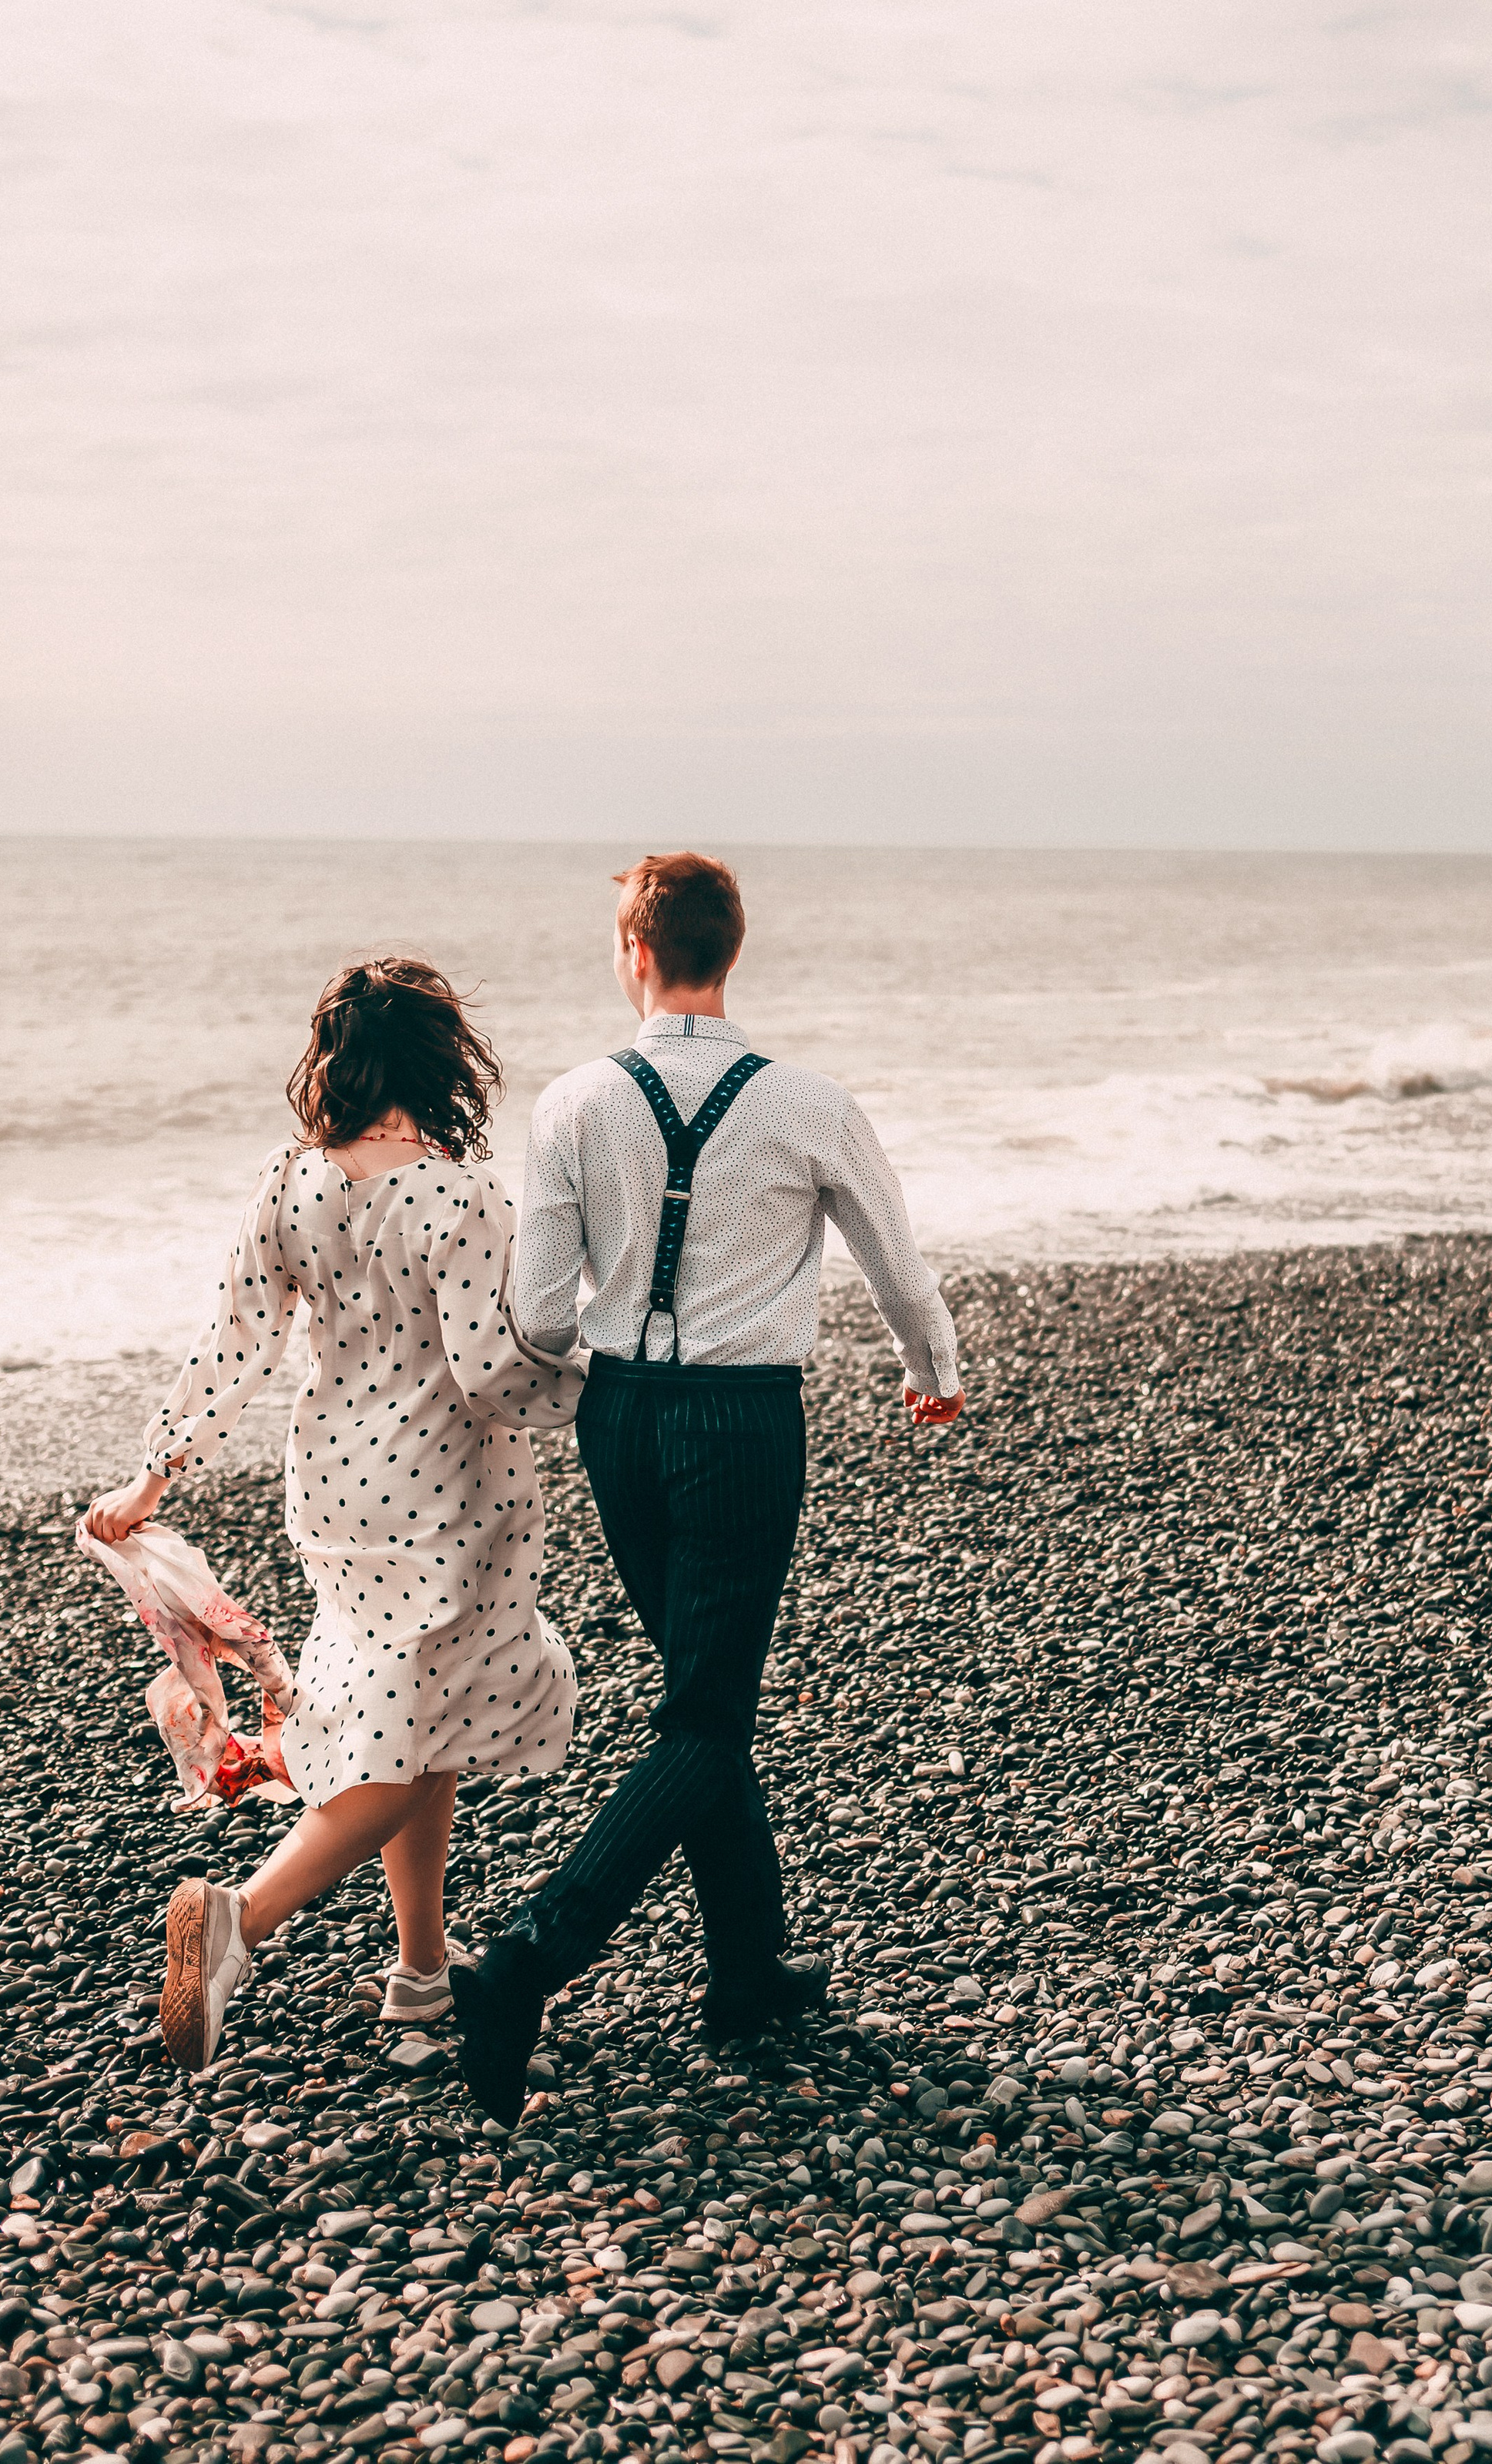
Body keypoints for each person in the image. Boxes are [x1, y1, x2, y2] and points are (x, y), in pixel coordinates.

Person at [450, 851, 964, 2123]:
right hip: (743, 1423)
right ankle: (527, 1961)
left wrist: (608, 1335)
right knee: (707, 1715)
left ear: (635, 951)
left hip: (620, 1421)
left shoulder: (574, 1102)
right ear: (731, 950)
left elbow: (539, 1317)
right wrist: (932, 1369)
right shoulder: (812, 1104)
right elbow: (897, 1265)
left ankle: (746, 1971)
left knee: (701, 1693)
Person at [85, 957, 584, 2071]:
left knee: (420, 1716)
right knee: (398, 1745)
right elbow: (492, 1374)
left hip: (332, 1487)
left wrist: (154, 1474)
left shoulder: (292, 1178)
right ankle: (239, 1920)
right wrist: (605, 1389)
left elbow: (237, 1341)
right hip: (445, 1498)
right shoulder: (462, 1194)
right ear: (441, 1061)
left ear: (336, 1062)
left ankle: (421, 1972)